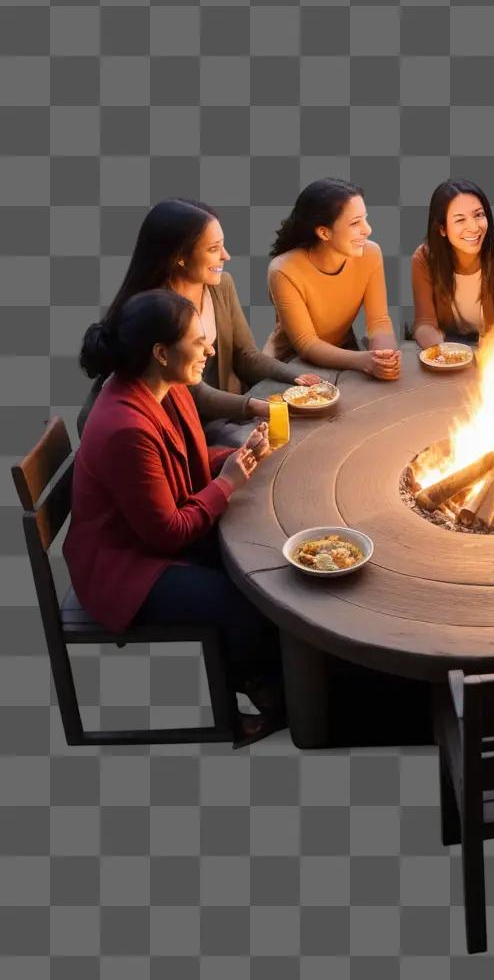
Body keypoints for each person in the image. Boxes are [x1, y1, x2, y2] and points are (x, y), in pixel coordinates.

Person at [66, 289, 284, 747]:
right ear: (161, 353)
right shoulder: (125, 426)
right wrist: (227, 482)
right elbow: (167, 534)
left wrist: (237, 457)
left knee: (265, 560)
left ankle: (267, 676)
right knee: (241, 598)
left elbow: (186, 461)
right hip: (123, 567)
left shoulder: (167, 387)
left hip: (149, 533)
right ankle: (258, 694)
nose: (209, 350)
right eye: (198, 341)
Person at [83, 199, 322, 446]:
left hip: (232, 409)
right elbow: (193, 393)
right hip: (187, 427)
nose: (226, 256)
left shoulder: (221, 286)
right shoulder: (153, 312)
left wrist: (299, 377)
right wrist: (255, 407)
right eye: (213, 249)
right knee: (280, 446)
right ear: (180, 258)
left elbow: (246, 354)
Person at [265, 178, 401, 379]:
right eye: (355, 223)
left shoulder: (370, 253)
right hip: (292, 365)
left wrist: (385, 357)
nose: (368, 229)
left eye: (365, 218)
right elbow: (306, 343)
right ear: (323, 232)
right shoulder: (283, 270)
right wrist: (365, 361)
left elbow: (378, 320)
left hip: (347, 354)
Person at [411, 179, 494, 356]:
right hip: (447, 348)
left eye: (479, 215)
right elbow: (424, 323)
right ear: (442, 228)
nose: (474, 227)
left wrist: (493, 352)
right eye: (460, 220)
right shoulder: (424, 258)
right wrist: (449, 355)